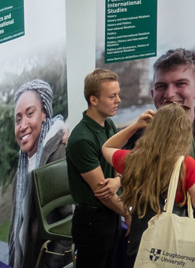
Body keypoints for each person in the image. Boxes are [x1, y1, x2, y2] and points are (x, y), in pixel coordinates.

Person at [102, 104, 195, 265]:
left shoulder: (133, 160)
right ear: (184, 132)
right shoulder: (187, 166)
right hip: (175, 254)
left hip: (140, 249)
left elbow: (107, 147)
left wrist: (136, 125)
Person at [124, 49, 195, 183]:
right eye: (161, 86)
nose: (169, 94)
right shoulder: (138, 136)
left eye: (180, 84)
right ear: (152, 93)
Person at [65, 69, 127, 268]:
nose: (118, 100)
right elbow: (103, 193)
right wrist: (128, 213)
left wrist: (118, 180)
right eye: (112, 96)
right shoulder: (82, 139)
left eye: (118, 94)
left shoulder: (108, 124)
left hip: (111, 214)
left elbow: (118, 162)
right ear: (93, 100)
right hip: (93, 222)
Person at [8, 79, 68, 268]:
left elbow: (69, 222)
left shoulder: (58, 154)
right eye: (18, 119)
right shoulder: (21, 169)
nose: (22, 125)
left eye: (30, 114)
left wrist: (53, 264)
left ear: (44, 114)